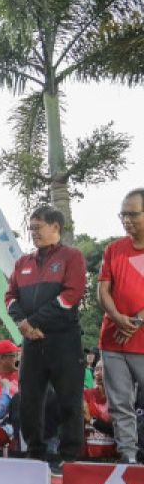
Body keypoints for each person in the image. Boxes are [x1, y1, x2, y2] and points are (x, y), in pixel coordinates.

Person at [6, 205, 88, 476]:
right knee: (28, 399)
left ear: (56, 227)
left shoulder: (72, 257)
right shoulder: (23, 263)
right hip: (31, 341)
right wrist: (23, 324)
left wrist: (35, 322)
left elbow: (71, 295)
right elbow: (10, 297)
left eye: (38, 228)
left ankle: (69, 456)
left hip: (64, 339)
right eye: (31, 229)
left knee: (69, 400)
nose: (34, 234)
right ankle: (35, 453)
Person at [96, 187, 144, 464]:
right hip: (113, 341)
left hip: (139, 338)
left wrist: (136, 320)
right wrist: (116, 317)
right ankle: (128, 457)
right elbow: (103, 291)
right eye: (122, 215)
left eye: (132, 214)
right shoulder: (114, 249)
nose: (126, 220)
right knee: (120, 404)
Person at [83, 361, 118, 460]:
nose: (97, 373)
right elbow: (84, 414)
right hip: (88, 456)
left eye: (102, 369)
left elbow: (119, 430)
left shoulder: (120, 398)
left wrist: (91, 420)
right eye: (96, 369)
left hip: (113, 458)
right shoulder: (86, 394)